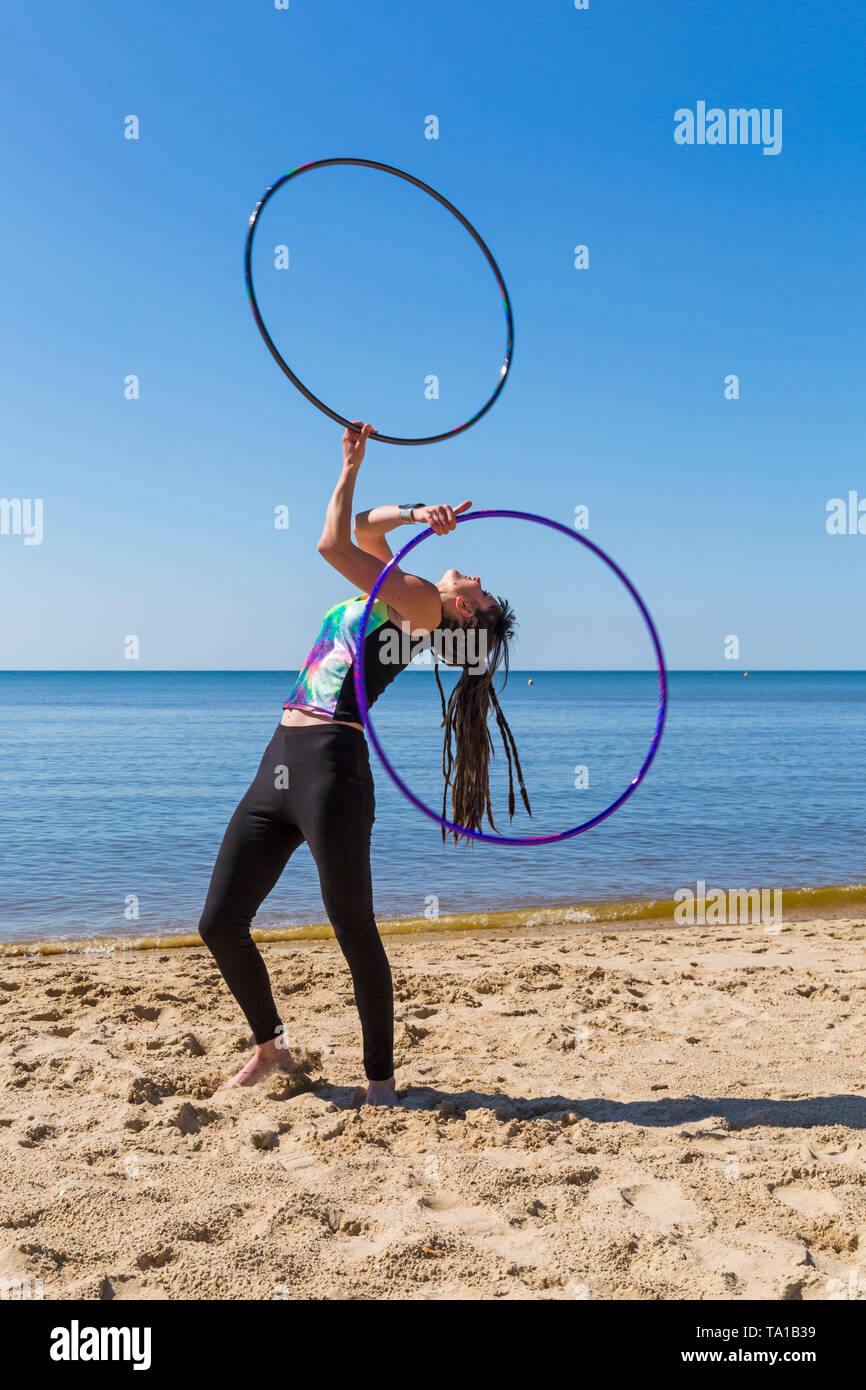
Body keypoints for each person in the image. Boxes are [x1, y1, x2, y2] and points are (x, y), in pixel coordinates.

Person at [198, 423, 529, 1104]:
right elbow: (366, 531)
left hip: (332, 768)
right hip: (281, 757)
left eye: (480, 587)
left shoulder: (421, 604)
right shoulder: (406, 588)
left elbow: (331, 543)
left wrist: (357, 480)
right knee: (219, 922)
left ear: (465, 607)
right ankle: (272, 1047)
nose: (473, 573)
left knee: (353, 928)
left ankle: (380, 1083)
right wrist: (398, 499)